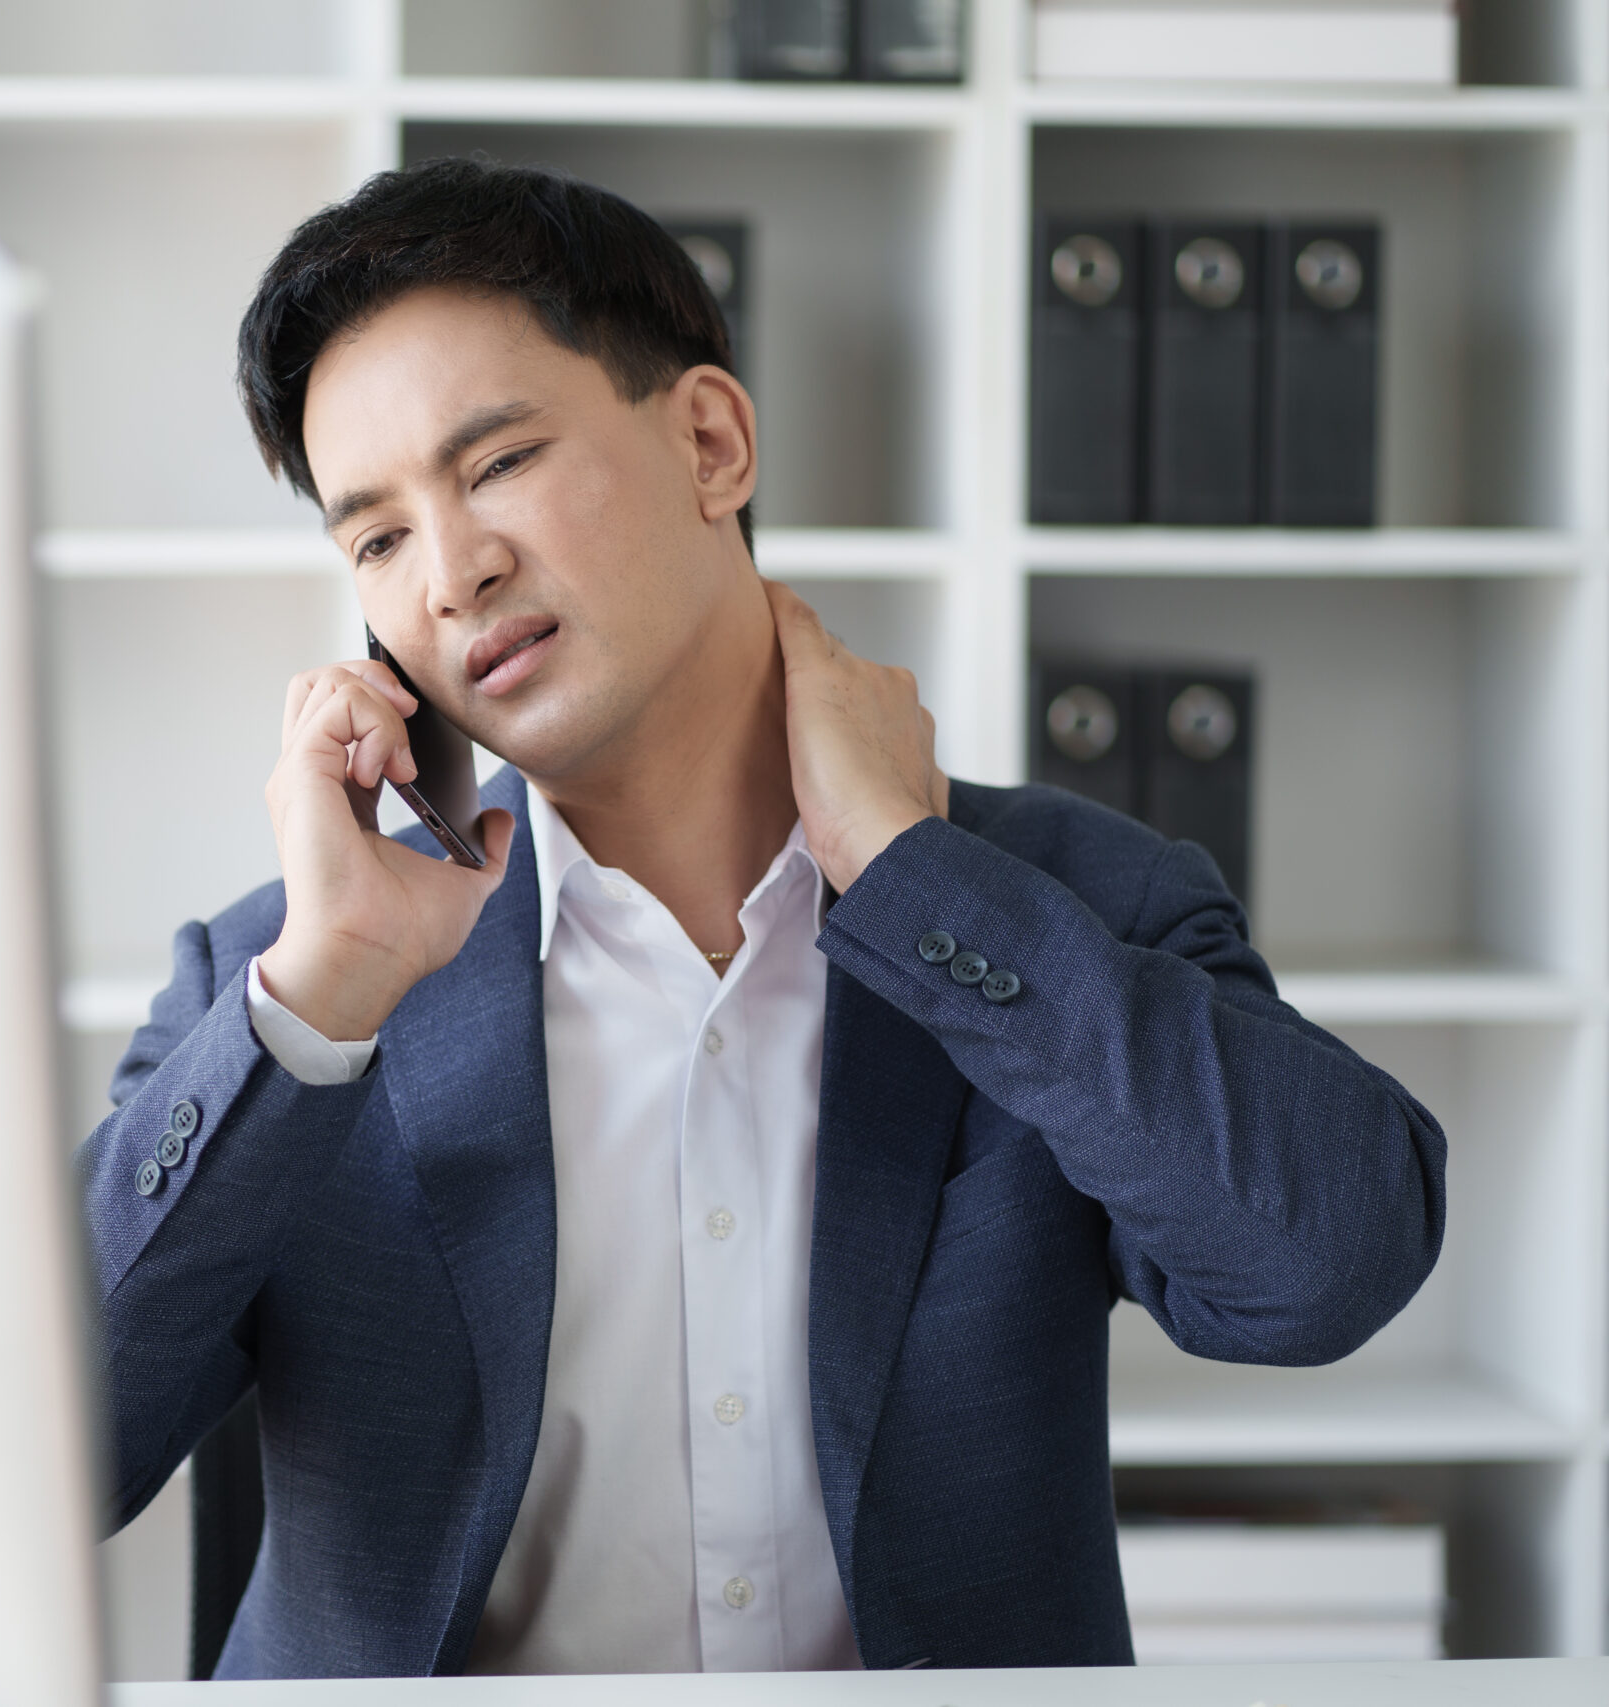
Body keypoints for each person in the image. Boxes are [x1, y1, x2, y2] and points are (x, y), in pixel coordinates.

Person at [75, 157, 1444, 1678]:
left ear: (712, 442)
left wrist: (915, 879)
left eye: (500, 463)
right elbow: (46, 1461)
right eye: (376, 538)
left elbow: (1333, 1269)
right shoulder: (282, 981)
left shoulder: (1056, 902)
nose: (454, 574)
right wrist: (318, 1003)